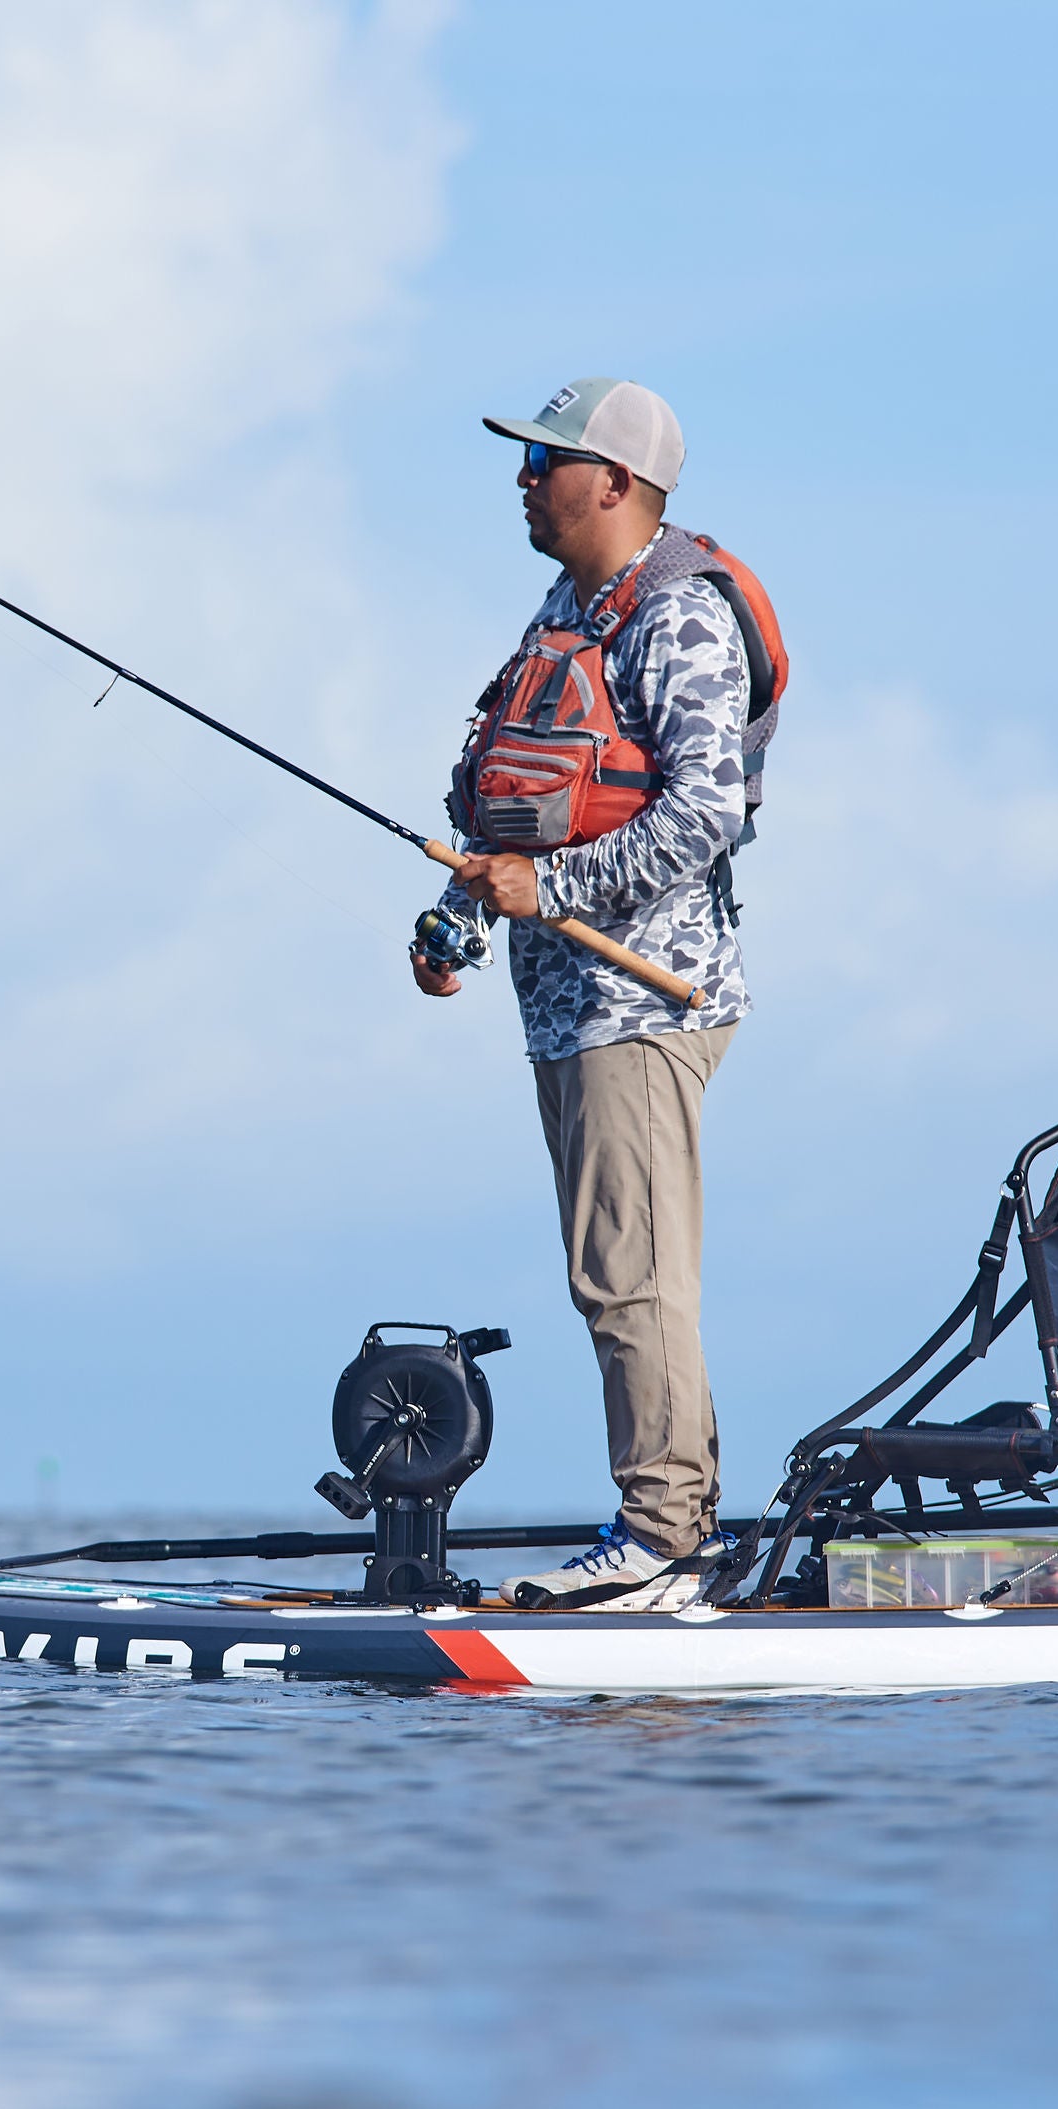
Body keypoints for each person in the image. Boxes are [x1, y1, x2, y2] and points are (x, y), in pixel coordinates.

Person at [417, 377, 779, 1611]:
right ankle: (672, 1530)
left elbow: (704, 811)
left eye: (545, 462)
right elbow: (510, 799)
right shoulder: (570, 607)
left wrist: (552, 883)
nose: (524, 481)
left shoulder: (676, 618)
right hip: (563, 1003)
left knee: (628, 1271)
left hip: (645, 1003)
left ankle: (665, 1541)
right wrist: (461, 922)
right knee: (608, 1266)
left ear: (616, 483)